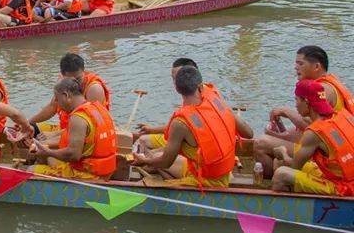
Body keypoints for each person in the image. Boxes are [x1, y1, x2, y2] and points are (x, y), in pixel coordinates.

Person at [134, 66, 252, 187]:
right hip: (221, 170)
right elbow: (249, 134)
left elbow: (166, 162)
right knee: (155, 156)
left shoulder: (180, 123)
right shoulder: (215, 99)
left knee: (149, 169)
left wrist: (144, 161)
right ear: (201, 86)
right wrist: (226, 112)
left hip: (206, 181)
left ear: (176, 89)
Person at [253, 46, 352, 176]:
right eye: (296, 63)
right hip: (332, 145)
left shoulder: (323, 90)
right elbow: (317, 127)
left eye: (300, 63)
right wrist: (285, 134)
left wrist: (286, 111)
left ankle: (271, 187)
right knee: (274, 136)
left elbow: (318, 129)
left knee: (260, 144)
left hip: (330, 156)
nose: (296, 67)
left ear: (316, 67)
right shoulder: (328, 83)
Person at [271, 80, 354, 196]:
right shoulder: (342, 115)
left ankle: (287, 211)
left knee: (281, 174)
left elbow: (295, 167)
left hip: (344, 187)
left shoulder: (314, 133)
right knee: (278, 163)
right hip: (342, 177)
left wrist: (283, 152)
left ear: (306, 102)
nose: (295, 105)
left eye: (296, 100)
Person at [134, 57, 233, 148]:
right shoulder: (208, 93)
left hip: (200, 154)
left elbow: (178, 130)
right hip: (207, 146)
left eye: (179, 77)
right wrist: (151, 130)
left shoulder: (193, 102)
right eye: (174, 78)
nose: (177, 82)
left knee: (142, 141)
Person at [32, 78, 118, 181]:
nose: (57, 103)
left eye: (57, 99)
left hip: (88, 175)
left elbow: (73, 155)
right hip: (105, 171)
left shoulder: (78, 117)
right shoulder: (98, 108)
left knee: (30, 170)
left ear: (66, 96)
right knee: (49, 157)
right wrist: (47, 149)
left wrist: (48, 152)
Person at [29, 53, 110, 142]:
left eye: (78, 79)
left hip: (85, 134)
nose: (75, 84)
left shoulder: (94, 89)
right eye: (71, 80)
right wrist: (27, 123)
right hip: (66, 129)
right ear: (63, 75)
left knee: (42, 143)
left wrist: (54, 135)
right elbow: (52, 107)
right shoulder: (62, 84)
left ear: (83, 71)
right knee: (32, 129)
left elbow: (89, 125)